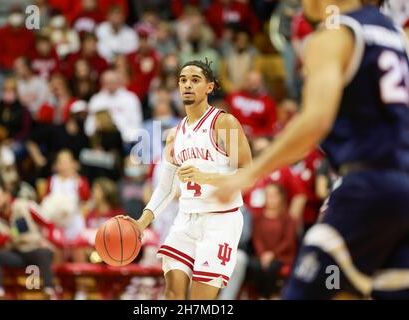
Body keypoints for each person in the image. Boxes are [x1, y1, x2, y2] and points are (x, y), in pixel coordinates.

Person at [214, 0, 409, 299]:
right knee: (353, 292)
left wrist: (246, 174)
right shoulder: (398, 37)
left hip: (368, 187)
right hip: (402, 192)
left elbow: (314, 122)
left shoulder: (333, 35)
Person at [124, 60, 253, 300]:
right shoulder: (174, 135)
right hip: (185, 220)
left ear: (209, 87)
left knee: (200, 300)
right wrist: (142, 221)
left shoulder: (224, 123)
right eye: (183, 80)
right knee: (172, 293)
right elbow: (166, 187)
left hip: (220, 221)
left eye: (195, 80)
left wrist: (208, 177)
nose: (187, 85)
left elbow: (248, 173)